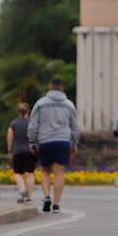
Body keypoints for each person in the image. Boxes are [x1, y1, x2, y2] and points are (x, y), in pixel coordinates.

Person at [28, 78, 80, 213]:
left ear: (49, 87)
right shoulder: (69, 105)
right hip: (63, 141)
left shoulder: (40, 104)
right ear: (62, 88)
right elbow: (74, 127)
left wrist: (32, 141)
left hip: (45, 140)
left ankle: (46, 196)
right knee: (59, 172)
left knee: (45, 170)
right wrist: (74, 143)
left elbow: (33, 125)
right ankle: (56, 204)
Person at [7, 100, 36, 204]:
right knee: (30, 174)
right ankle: (29, 197)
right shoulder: (32, 123)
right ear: (28, 111)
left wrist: (9, 150)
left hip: (17, 151)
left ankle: (22, 189)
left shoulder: (13, 123)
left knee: (17, 173)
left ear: (18, 111)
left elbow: (10, 137)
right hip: (30, 151)